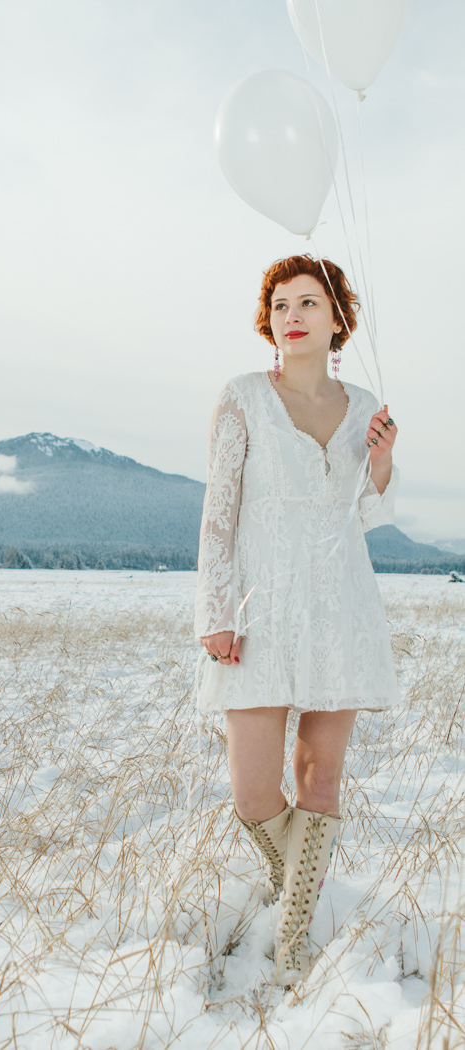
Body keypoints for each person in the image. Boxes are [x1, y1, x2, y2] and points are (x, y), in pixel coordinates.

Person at [193, 254, 400, 987]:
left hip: (339, 605)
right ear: (268, 320)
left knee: (320, 780)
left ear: (338, 317)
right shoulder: (243, 396)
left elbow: (366, 516)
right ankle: (301, 896)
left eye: (309, 302)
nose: (293, 316)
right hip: (259, 611)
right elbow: (218, 517)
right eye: (281, 304)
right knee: (253, 793)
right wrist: (215, 613)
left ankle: (294, 936)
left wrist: (380, 462)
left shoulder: (364, 401)